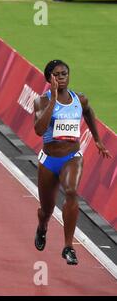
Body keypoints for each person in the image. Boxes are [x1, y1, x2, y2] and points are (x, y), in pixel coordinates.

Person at [33, 60, 111, 265]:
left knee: (71, 191)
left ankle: (68, 247)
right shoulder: (42, 101)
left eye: (64, 74)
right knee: (46, 210)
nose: (62, 77)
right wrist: (53, 100)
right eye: (57, 75)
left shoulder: (80, 99)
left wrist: (97, 139)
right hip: (49, 161)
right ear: (49, 78)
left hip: (72, 157)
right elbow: (39, 130)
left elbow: (88, 113)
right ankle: (42, 227)